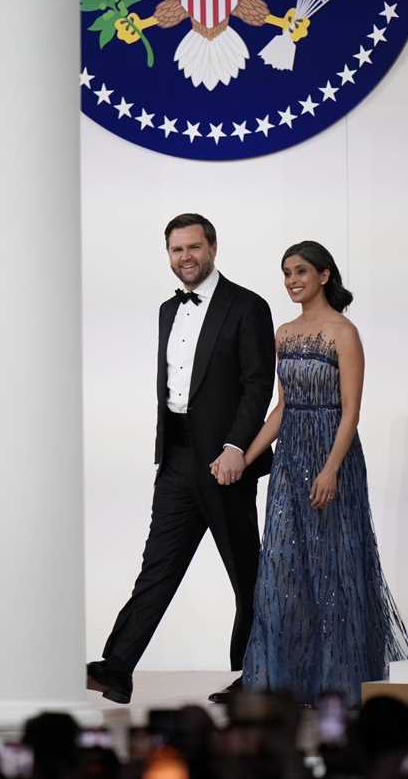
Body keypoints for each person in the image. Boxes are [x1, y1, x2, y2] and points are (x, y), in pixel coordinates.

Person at [87, 214, 276, 705]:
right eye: (176, 250)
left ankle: (258, 676)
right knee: (158, 566)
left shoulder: (248, 306)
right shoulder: (166, 312)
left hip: (226, 459)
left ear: (212, 247)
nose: (185, 257)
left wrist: (237, 447)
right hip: (175, 457)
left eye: (193, 247)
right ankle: (117, 668)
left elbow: (258, 384)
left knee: (246, 573)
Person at [238, 241, 408, 706]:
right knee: (281, 571)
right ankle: (285, 686)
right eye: (286, 273)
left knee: (335, 571)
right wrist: (246, 454)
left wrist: (331, 469)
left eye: (300, 271)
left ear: (324, 275)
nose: (292, 280)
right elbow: (281, 408)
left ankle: (336, 686)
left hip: (332, 459)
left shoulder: (343, 333)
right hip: (289, 464)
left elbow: (351, 412)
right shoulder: (283, 333)